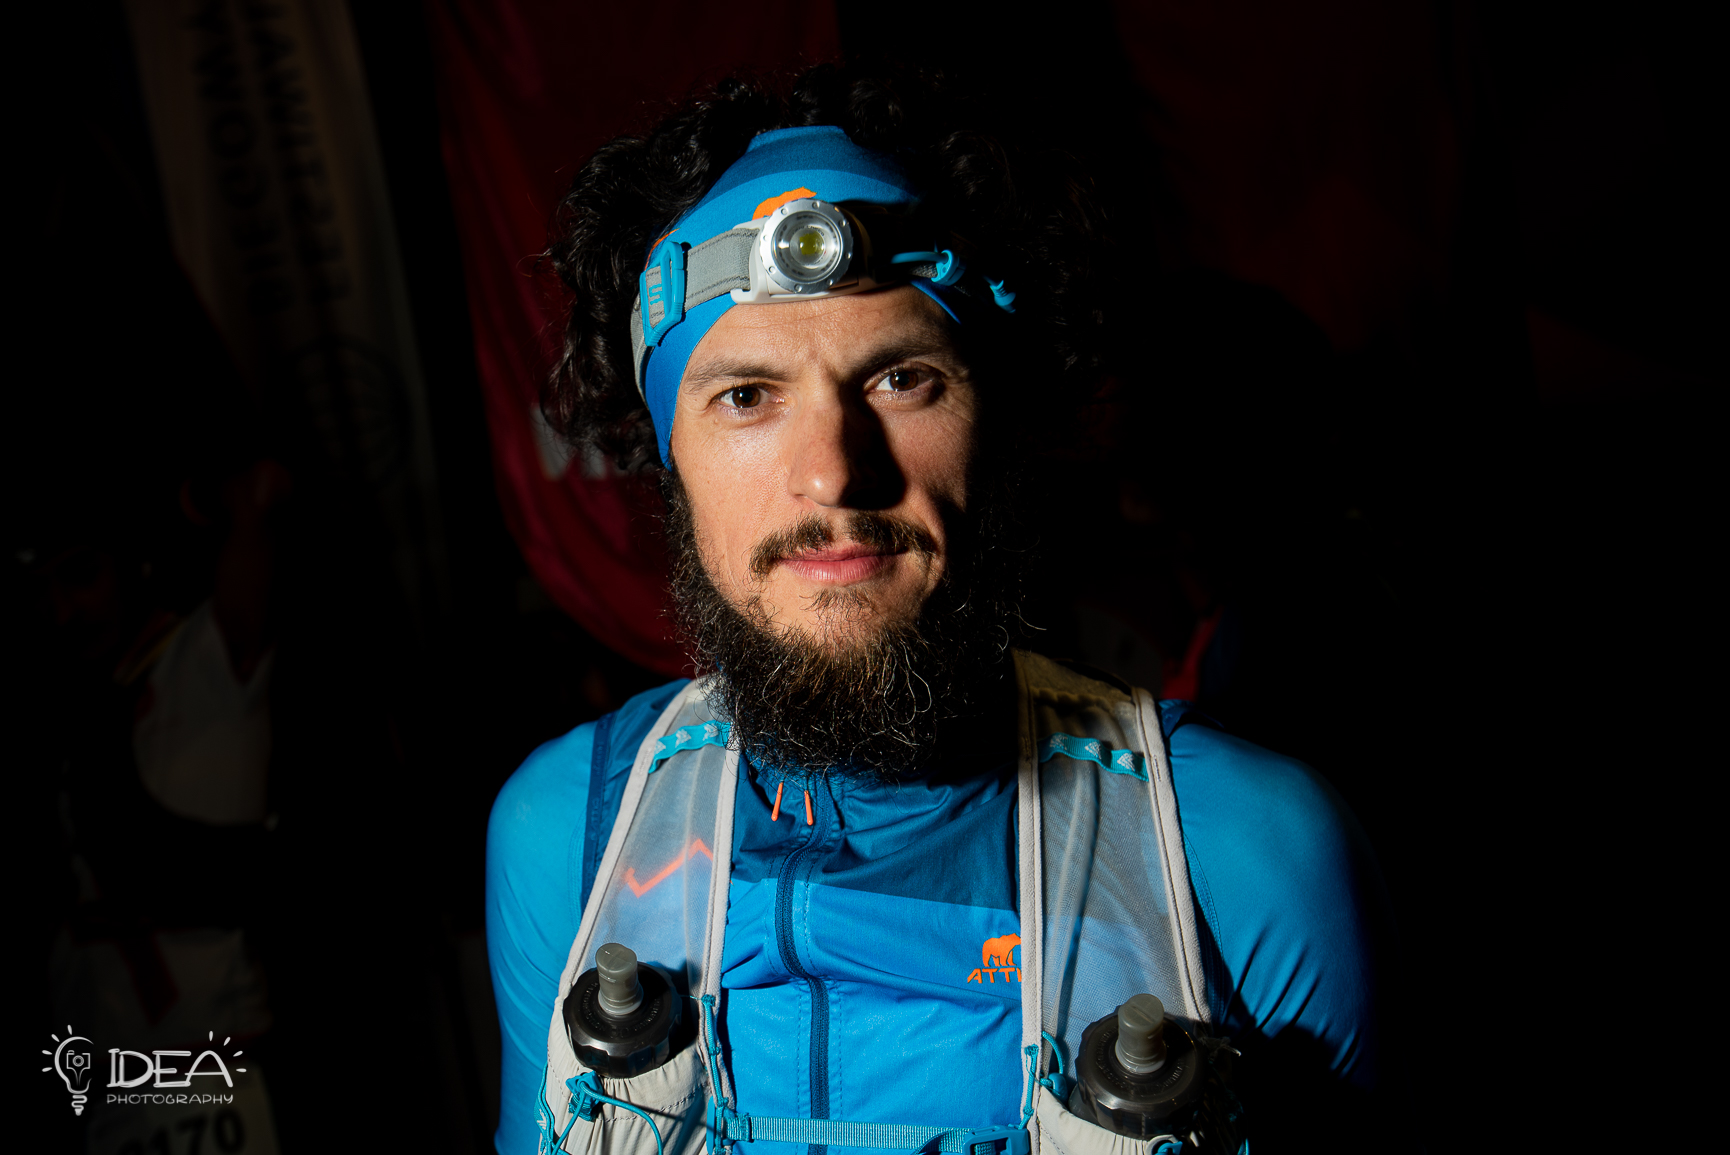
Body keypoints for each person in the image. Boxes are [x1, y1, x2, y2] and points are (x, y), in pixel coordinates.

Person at [487, 67, 1395, 1155]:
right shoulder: (572, 838)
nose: (832, 472)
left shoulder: (1243, 855)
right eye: (746, 396)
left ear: (995, 417)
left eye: (900, 379)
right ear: (669, 455)